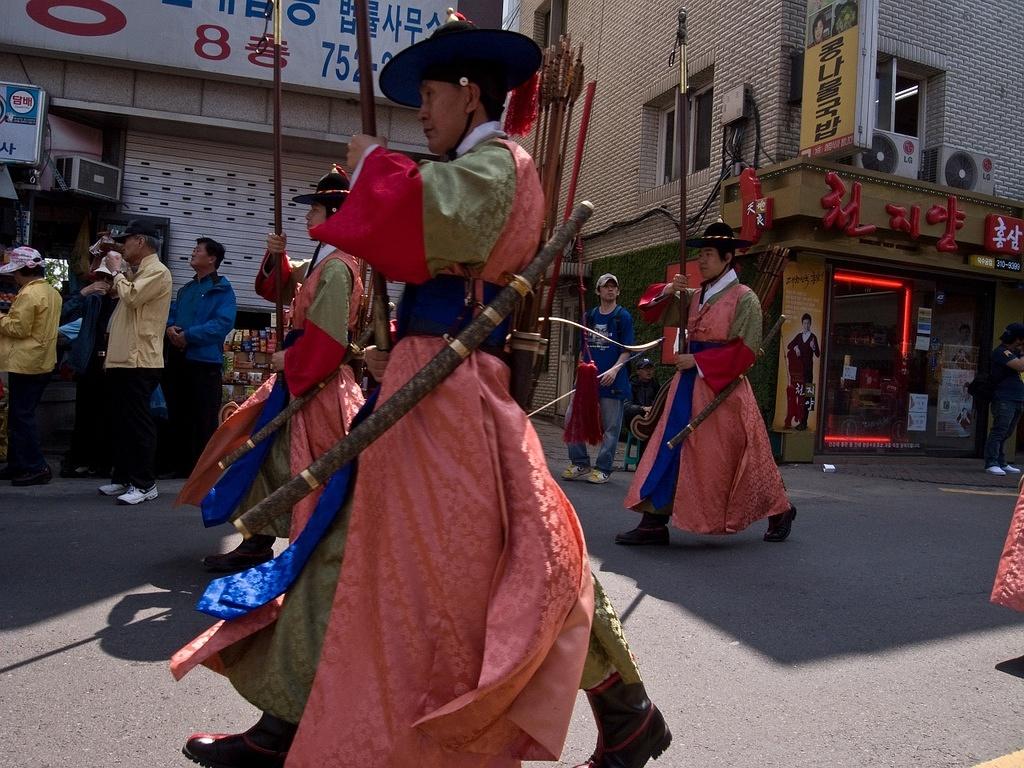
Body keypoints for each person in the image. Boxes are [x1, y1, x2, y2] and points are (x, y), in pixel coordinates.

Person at [172, 13, 668, 768]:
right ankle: (284, 728)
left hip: (454, 388)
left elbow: (427, 218)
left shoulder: (504, 164)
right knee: (344, 540)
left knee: (521, 554)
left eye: (430, 96)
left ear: (471, 95)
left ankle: (627, 709)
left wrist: (374, 168)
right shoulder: (474, 162)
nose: (422, 113)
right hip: (422, 377)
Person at [180, 166, 365, 573]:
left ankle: (315, 546)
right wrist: (276, 254)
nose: (306, 217)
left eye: (314, 209)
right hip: (301, 378)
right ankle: (257, 538)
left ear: (334, 215)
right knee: (262, 456)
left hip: (315, 380)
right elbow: (274, 287)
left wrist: (291, 361)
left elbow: (330, 339)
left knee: (306, 465)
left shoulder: (336, 267)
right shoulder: (323, 260)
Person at [617, 221, 797, 546]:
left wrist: (698, 361)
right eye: (701, 254)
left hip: (722, 390)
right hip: (687, 386)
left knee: (739, 458)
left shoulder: (745, 299)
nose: (702, 261)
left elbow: (745, 352)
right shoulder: (697, 294)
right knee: (669, 446)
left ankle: (779, 509)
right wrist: (671, 290)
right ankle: (653, 520)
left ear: (728, 258)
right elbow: (653, 311)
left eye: (709, 254)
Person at [97, 220, 172, 505]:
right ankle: (124, 477)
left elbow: (131, 296)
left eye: (126, 240)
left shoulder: (158, 271)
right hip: (123, 358)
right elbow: (118, 291)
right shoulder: (139, 271)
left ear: (140, 241)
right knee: (122, 422)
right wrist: (115, 270)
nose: (123, 246)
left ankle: (145, 483)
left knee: (138, 423)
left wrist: (117, 271)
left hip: (140, 359)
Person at [162, 237, 236, 478]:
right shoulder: (187, 289)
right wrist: (171, 329)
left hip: (205, 362)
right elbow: (171, 315)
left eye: (198, 250)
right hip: (179, 358)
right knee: (177, 411)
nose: (193, 253)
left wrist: (189, 335)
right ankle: (177, 464)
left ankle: (201, 468)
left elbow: (222, 324)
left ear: (212, 258)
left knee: (202, 416)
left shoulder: (222, 288)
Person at [563, 273, 636, 484]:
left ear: (618, 291)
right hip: (587, 380)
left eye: (614, 287)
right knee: (572, 418)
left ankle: (603, 468)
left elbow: (627, 349)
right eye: (606, 287)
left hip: (612, 381)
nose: (610, 290)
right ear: (598, 291)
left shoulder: (623, 317)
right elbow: (582, 350)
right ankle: (579, 462)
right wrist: (579, 373)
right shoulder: (589, 317)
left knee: (611, 426)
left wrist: (614, 371)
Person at [0, 246, 62, 486]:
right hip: (41, 360)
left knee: (22, 416)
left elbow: (19, 328)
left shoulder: (29, 295)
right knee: (21, 415)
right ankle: (18, 463)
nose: (13, 278)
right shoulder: (52, 292)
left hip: (25, 362)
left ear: (23, 270)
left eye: (15, 272)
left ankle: (36, 466)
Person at [60, 257, 116, 478]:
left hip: (114, 364)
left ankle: (104, 462)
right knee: (85, 413)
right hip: (90, 362)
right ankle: (82, 459)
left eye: (108, 278)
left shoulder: (125, 301)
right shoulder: (93, 300)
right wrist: (86, 291)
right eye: (101, 277)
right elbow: (62, 311)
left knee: (108, 415)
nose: (104, 282)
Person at [982, 322, 1024, 476]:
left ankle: (1001, 461)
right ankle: (991, 462)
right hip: (1004, 398)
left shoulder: (1014, 353)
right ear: (1018, 339)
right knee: (999, 430)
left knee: (1007, 432)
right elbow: (1020, 366)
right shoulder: (1001, 352)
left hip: (1017, 398)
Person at [785, 312, 820, 430]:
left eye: (808, 323)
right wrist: (796, 347)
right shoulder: (799, 336)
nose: (806, 325)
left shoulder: (813, 337)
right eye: (804, 323)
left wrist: (813, 347)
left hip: (809, 371)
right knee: (800, 395)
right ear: (802, 324)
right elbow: (789, 345)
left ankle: (805, 422)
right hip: (799, 372)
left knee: (809, 396)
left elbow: (818, 354)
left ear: (810, 324)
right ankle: (800, 420)